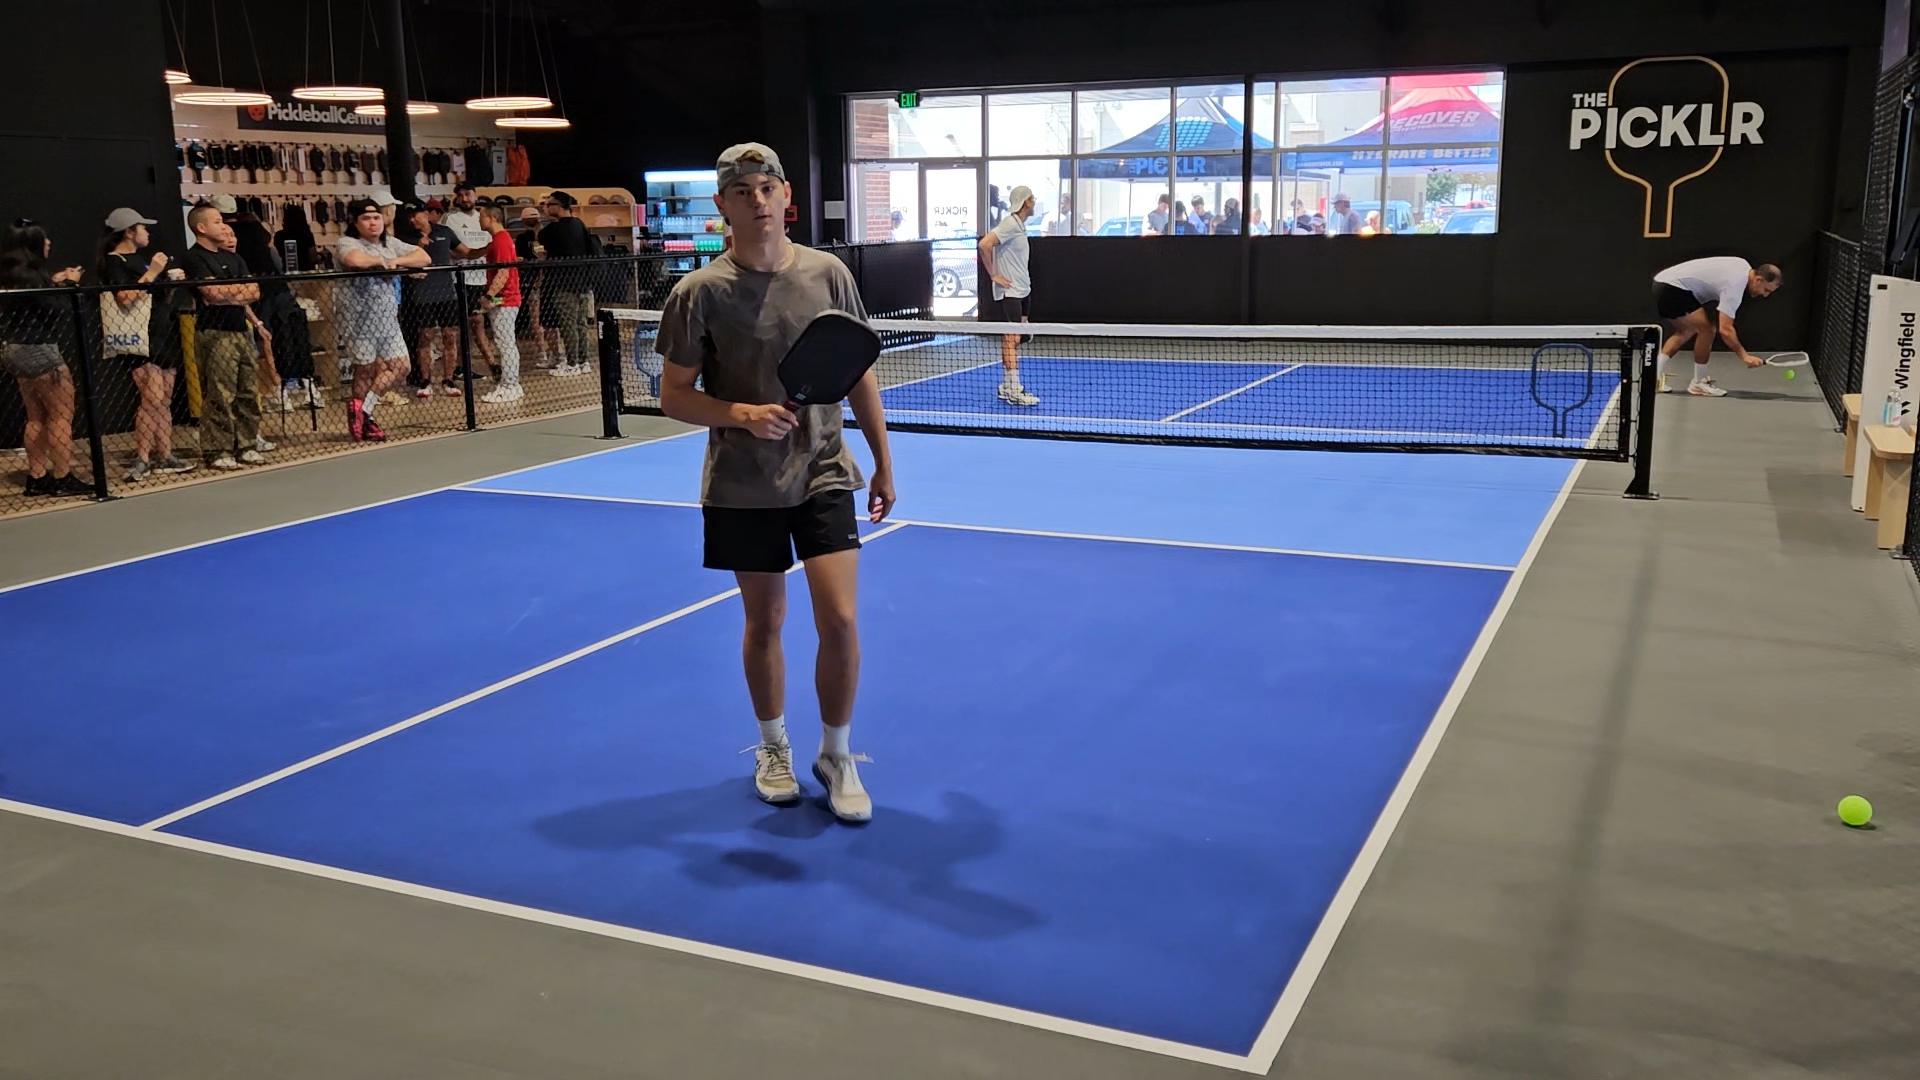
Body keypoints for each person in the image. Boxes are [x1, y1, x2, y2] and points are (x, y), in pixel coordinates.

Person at [655, 142, 896, 824]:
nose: (757, 199)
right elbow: (674, 394)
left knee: (841, 620)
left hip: (823, 471)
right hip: (742, 484)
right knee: (765, 620)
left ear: (787, 195)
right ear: (723, 204)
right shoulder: (697, 293)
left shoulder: (828, 275)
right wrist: (739, 414)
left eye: (767, 186)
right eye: (742, 190)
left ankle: (838, 754)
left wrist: (882, 458)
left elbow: (857, 370)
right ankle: (772, 747)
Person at [98, 208, 193, 481]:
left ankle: (165, 454)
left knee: (164, 398)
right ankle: (142, 457)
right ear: (129, 231)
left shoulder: (139, 260)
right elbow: (125, 297)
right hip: (139, 337)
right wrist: (153, 271)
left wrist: (170, 281)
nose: (148, 233)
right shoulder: (114, 261)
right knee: (150, 398)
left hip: (162, 332)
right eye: (143, 227)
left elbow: (156, 297)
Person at [0, 219, 90, 496]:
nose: (49, 244)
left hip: (13, 348)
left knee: (35, 416)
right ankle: (63, 477)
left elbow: (32, 300)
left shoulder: (12, 273)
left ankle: (37, 477)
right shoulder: (32, 275)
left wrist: (53, 281)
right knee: (61, 416)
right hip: (40, 349)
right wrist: (71, 285)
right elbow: (56, 309)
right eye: (45, 239)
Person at [333, 197, 432, 440]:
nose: (373, 223)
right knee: (364, 369)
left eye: (376, 217)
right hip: (358, 320)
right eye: (366, 218)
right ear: (356, 222)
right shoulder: (347, 242)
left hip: (387, 319)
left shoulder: (390, 243)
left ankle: (363, 410)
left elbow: (423, 257)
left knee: (401, 366)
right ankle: (361, 415)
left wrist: (397, 262)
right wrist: (382, 262)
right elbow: (354, 260)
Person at [179, 205, 268, 470]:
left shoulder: (235, 258)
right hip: (215, 333)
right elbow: (212, 295)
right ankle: (218, 449)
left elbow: (254, 291)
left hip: (241, 331)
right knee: (220, 392)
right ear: (201, 227)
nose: (223, 226)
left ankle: (247, 444)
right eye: (217, 221)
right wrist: (231, 292)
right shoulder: (194, 258)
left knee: (248, 391)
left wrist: (229, 292)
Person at [1652, 257, 1782, 396]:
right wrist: (1744, 356)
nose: (1765, 295)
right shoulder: (1735, 285)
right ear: (1758, 280)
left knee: (1685, 331)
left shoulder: (1742, 264)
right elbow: (1726, 330)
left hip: (1662, 282)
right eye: (1766, 290)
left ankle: (1652, 377)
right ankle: (1698, 383)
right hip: (1673, 288)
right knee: (1707, 330)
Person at [398, 201, 474, 398]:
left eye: (416, 214)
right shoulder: (405, 238)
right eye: (410, 216)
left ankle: (448, 380)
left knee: (450, 335)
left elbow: (465, 252)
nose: (413, 219)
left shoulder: (445, 231)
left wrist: (490, 248)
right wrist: (417, 246)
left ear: (425, 213)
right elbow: (400, 261)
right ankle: (425, 381)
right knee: (425, 336)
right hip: (422, 293)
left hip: (447, 292)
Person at [978, 183, 1040, 406]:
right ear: (1026, 202)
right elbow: (985, 244)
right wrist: (994, 274)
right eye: (1032, 198)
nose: (1034, 202)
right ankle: (1013, 389)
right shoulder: (1009, 224)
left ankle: (1006, 385)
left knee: (1021, 336)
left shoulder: (1019, 225)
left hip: (1024, 290)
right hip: (1011, 292)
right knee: (1011, 338)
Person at [443, 183, 499, 381]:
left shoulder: (483, 219)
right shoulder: (450, 219)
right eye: (461, 195)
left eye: (468, 194)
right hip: (461, 279)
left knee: (475, 325)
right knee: (472, 324)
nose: (465, 199)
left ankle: (466, 366)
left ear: (475, 195)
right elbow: (450, 251)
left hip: (483, 279)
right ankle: (490, 365)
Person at [537, 191, 595, 377]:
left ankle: (571, 363)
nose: (545, 208)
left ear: (558, 206)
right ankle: (583, 361)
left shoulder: (552, 230)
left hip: (563, 283)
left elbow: (542, 239)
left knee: (568, 324)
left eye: (548, 204)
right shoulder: (580, 225)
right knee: (581, 324)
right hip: (583, 282)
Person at [476, 202, 523, 404]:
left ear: (491, 218)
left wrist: (489, 296)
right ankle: (510, 384)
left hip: (505, 299)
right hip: (503, 298)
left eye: (481, 216)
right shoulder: (499, 240)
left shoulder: (501, 240)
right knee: (505, 342)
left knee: (506, 344)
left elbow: (503, 272)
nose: (479, 220)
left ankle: (510, 385)